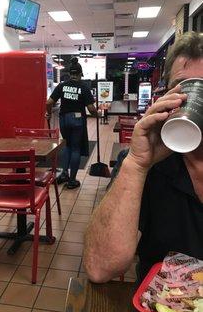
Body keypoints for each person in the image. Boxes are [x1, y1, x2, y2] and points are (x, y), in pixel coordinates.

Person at [84, 31, 203, 283]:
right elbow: (99, 268)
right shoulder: (146, 162)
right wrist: (136, 165)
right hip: (165, 308)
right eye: (185, 88)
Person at [46, 58, 98, 189]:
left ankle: (64, 174)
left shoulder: (62, 86)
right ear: (80, 74)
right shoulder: (83, 87)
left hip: (63, 120)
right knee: (76, 148)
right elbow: (91, 109)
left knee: (67, 146)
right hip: (77, 120)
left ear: (70, 74)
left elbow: (48, 102)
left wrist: (49, 113)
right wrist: (97, 115)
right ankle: (72, 181)